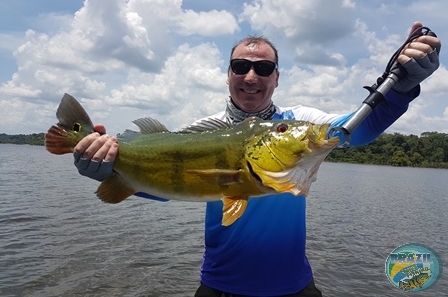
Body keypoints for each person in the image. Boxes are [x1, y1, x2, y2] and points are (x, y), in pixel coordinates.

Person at [73, 21, 441, 296]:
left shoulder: (298, 123)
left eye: (263, 68)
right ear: (229, 75)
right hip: (218, 285)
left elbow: (355, 129)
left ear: (276, 78)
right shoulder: (202, 130)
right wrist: (112, 172)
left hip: (293, 286)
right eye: (241, 67)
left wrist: (399, 86)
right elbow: (170, 186)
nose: (251, 76)